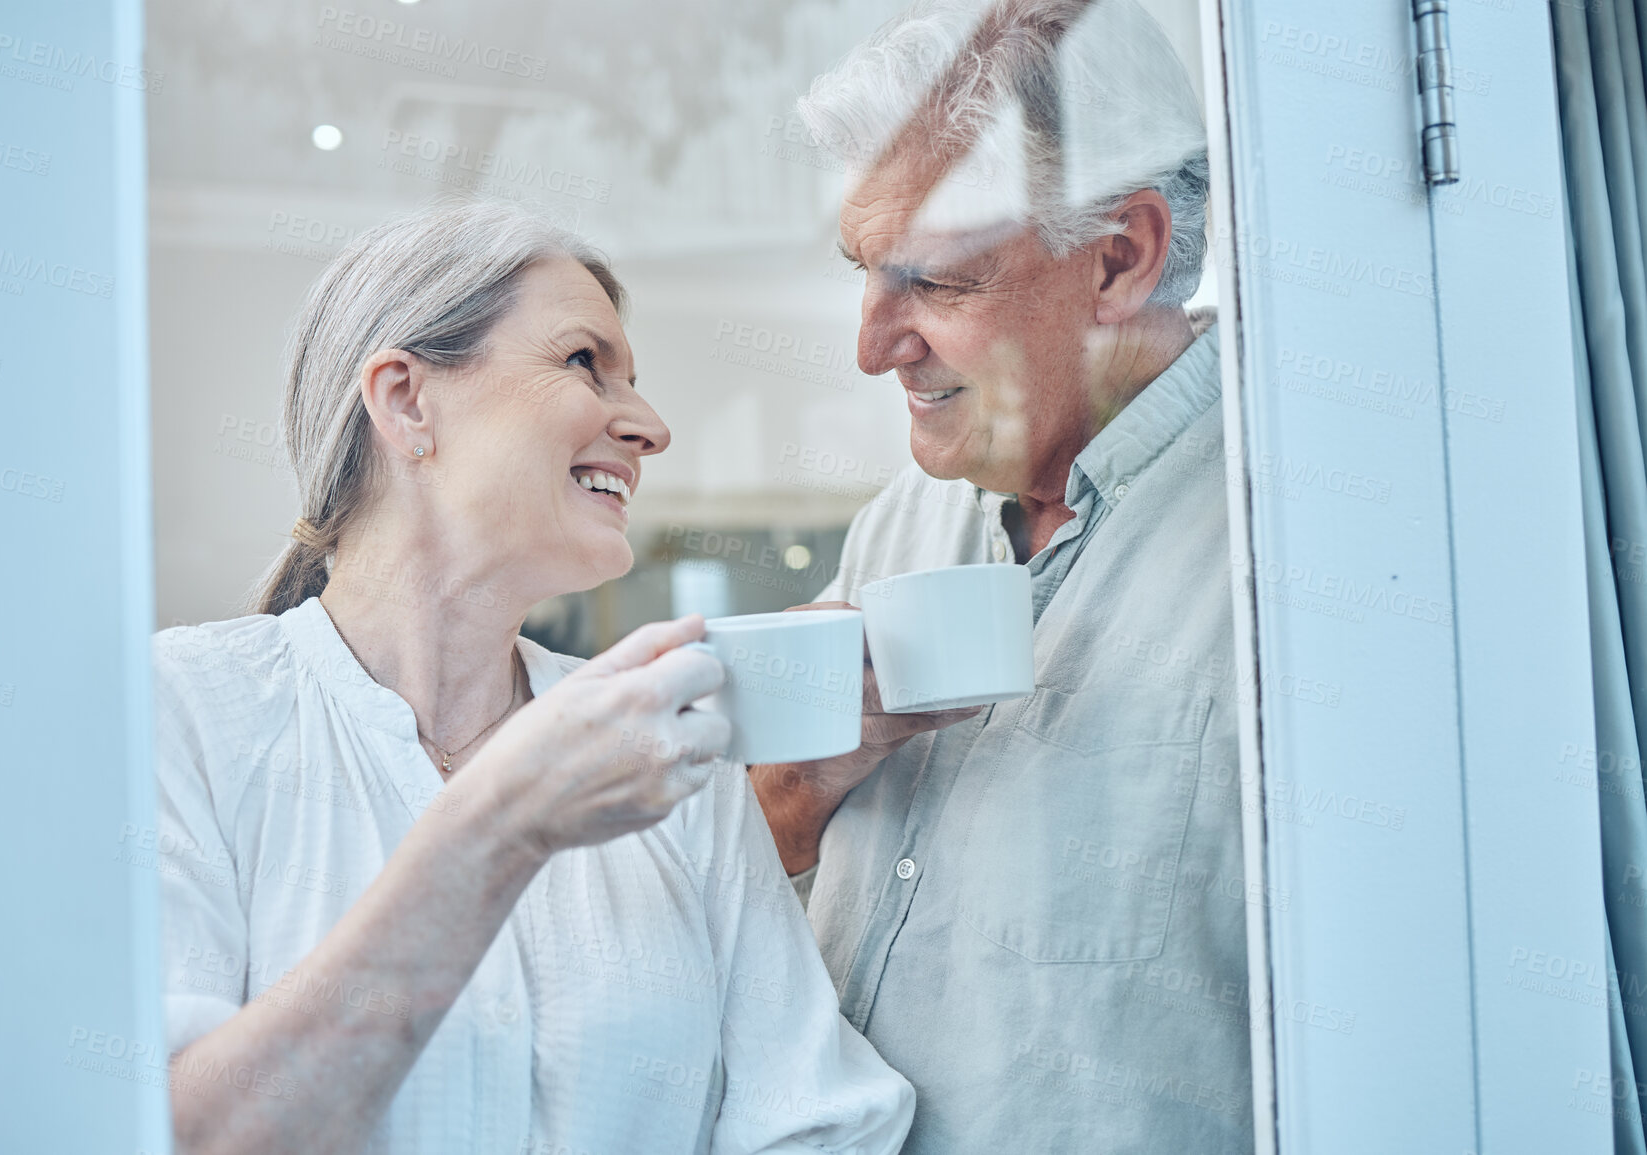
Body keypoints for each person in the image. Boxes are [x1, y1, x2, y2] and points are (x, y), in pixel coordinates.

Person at [153, 202, 913, 1154]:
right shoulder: (179, 713)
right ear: (404, 400)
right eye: (583, 362)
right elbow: (174, 1132)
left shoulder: (666, 749)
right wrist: (498, 828)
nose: (650, 427)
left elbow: (820, 1120)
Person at [746, 1, 1252, 1151]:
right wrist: (790, 795)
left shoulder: (1289, 546)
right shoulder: (901, 526)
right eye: (868, 275)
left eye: (937, 282)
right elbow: (772, 858)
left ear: (1121, 256)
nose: (872, 345)